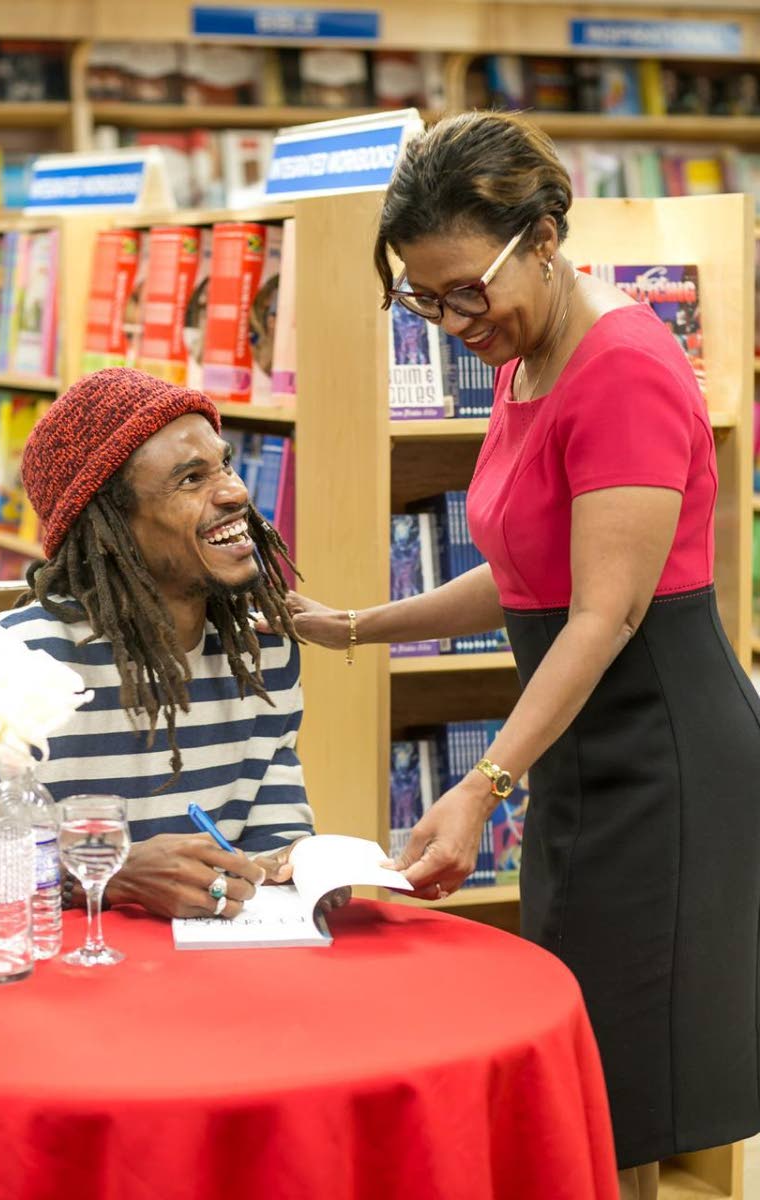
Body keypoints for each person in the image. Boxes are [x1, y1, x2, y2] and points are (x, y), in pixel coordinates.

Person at [263, 111, 760, 1198]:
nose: (447, 323)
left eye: (462, 292)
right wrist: (355, 626)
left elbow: (603, 612)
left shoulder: (621, 366)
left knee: (629, 1092)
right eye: (421, 300)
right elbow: (530, 570)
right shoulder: (522, 351)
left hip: (661, 757)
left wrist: (485, 782)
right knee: (584, 1078)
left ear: (541, 239)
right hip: (582, 751)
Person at [0, 367, 317, 922]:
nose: (234, 491)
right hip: (62, 990)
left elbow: (271, 842)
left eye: (225, 464)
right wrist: (113, 872)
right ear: (110, 529)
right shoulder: (8, 671)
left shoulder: (263, 654)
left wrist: (306, 865)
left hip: (216, 986)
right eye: (190, 479)